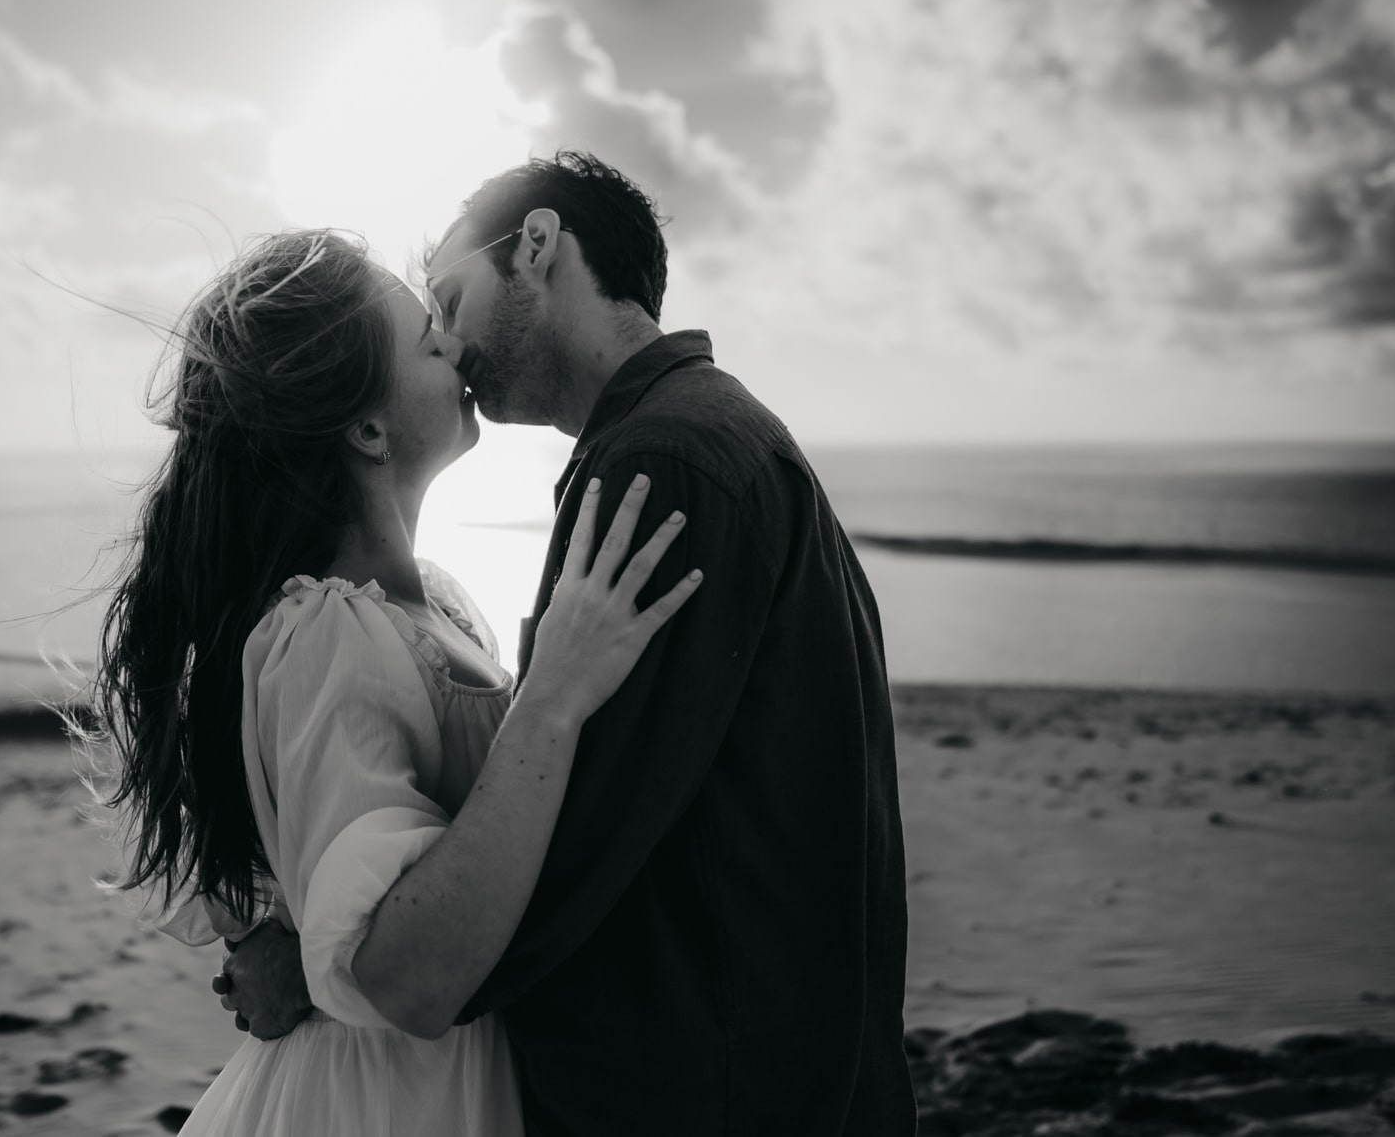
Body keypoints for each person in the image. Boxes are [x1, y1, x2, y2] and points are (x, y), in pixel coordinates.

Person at [219, 153, 918, 1135]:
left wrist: (321, 962)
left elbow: (576, 835)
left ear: (538, 247)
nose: (452, 345)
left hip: (706, 1088)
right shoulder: (709, 434)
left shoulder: (659, 465)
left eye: (449, 299)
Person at [86, 228, 703, 1135]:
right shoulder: (329, 636)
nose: (454, 342)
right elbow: (405, 976)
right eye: (427, 338)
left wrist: (280, 943)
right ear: (367, 429)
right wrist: (556, 696)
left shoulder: (436, 608)